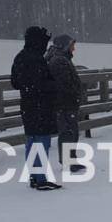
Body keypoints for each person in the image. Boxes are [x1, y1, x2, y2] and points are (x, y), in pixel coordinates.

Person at [10, 25, 61, 190]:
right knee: (42, 141)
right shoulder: (36, 59)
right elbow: (40, 84)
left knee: (32, 140)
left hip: (27, 105)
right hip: (41, 106)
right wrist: (54, 84)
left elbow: (15, 82)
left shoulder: (20, 57)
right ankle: (40, 179)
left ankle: (34, 176)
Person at [46, 33, 86, 173]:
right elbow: (64, 84)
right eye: (72, 46)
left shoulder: (61, 59)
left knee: (70, 132)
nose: (73, 49)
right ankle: (68, 161)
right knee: (68, 132)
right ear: (65, 46)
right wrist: (74, 93)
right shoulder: (59, 61)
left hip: (66, 103)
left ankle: (70, 159)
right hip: (65, 104)